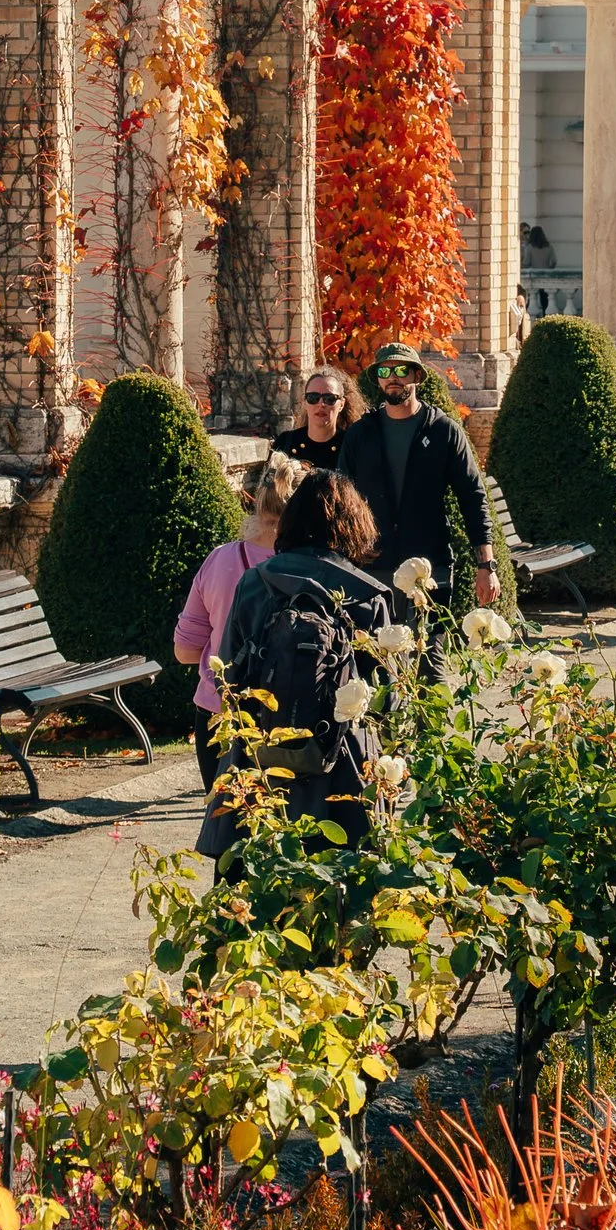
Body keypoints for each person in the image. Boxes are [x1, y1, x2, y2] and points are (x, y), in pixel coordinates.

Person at [209, 469, 396, 851]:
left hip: (260, 763)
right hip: (342, 771)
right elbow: (387, 699)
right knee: (342, 889)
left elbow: (225, 675)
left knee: (258, 887)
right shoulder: (368, 595)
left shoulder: (255, 582)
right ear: (354, 525)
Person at [337, 340, 499, 617]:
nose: (393, 379)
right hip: (374, 566)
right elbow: (341, 500)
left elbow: (472, 497)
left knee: (430, 654)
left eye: (401, 370)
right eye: (385, 372)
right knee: (378, 657)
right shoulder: (361, 434)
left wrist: (486, 566)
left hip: (429, 564)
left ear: (417, 376)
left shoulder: (443, 432)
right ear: (377, 380)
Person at [175, 450, 299, 790]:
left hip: (219, 710)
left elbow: (184, 652)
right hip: (291, 715)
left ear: (257, 504)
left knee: (222, 831)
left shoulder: (220, 559)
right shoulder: (311, 569)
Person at [272, 365, 358, 467]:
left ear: (342, 404)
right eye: (313, 397)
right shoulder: (286, 442)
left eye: (330, 398)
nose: (321, 404)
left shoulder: (352, 446)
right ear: (304, 402)